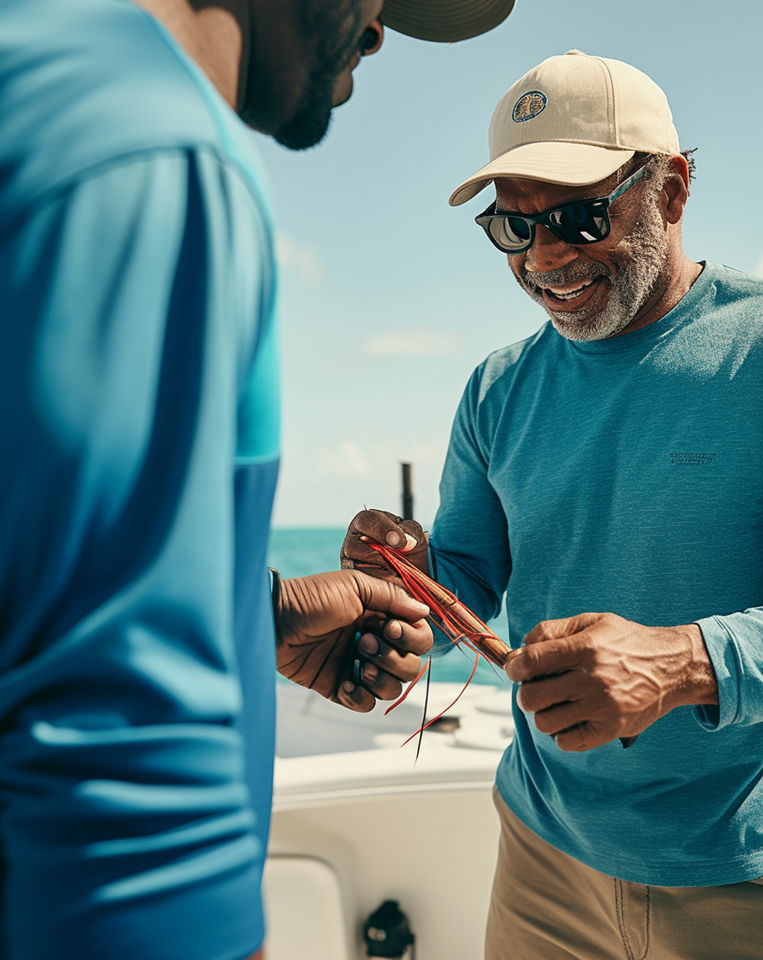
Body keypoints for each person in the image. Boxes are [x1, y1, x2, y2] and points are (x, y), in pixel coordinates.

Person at [343, 50, 763, 960]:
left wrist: (683, 662)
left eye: (579, 217)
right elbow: (466, 579)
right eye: (514, 227)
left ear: (674, 187)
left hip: (757, 878)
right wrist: (396, 582)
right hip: (542, 861)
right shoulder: (497, 388)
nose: (544, 258)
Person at [0, 1, 514, 958]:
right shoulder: (157, 153)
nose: (375, 33)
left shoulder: (44, 79)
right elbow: (117, 742)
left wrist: (259, 616)